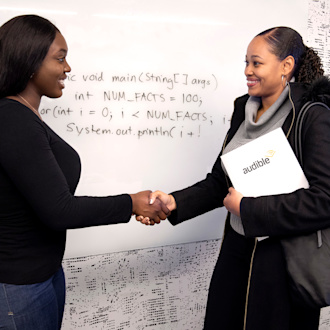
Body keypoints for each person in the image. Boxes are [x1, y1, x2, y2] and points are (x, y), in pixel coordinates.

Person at [137, 27, 330, 329]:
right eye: (246, 63)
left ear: (286, 66)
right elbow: (220, 182)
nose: (247, 71)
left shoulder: (312, 114)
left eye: (256, 63)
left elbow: (324, 202)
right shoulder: (244, 109)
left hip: (283, 266)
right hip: (236, 253)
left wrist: (248, 209)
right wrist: (174, 202)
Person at [0, 14, 170, 330]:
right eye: (60, 59)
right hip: (19, 288)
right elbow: (59, 210)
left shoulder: (24, 115)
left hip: (43, 274)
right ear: (30, 61)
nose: (67, 68)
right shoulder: (13, 119)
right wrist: (132, 203)